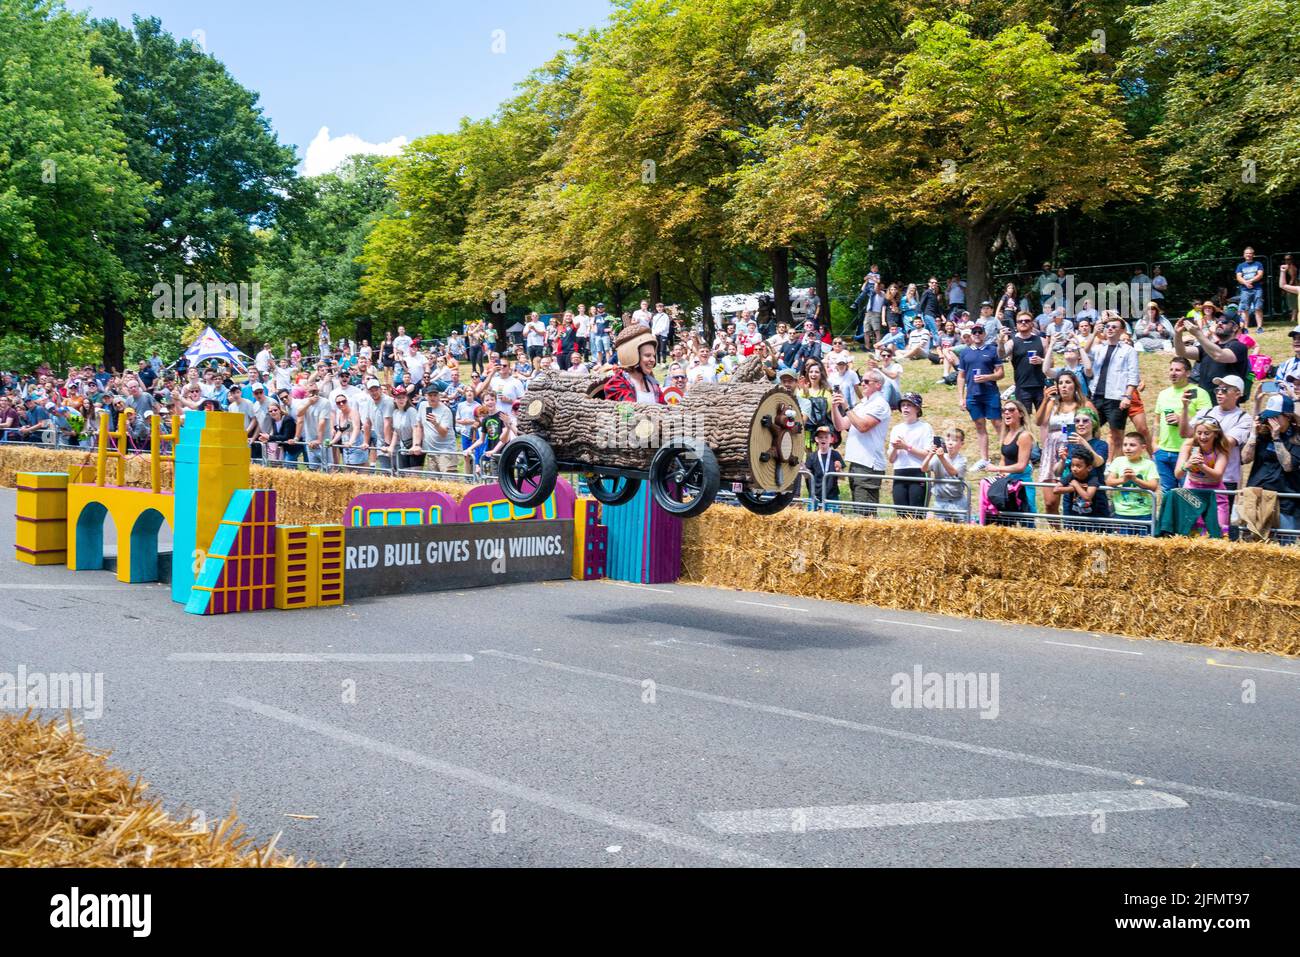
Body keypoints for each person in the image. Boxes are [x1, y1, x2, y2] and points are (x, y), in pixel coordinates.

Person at [831, 369, 891, 506]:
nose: (862, 384)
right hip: (857, 462)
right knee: (858, 509)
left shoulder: (880, 404)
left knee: (865, 513)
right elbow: (840, 425)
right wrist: (835, 406)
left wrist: (846, 407)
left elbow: (863, 427)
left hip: (869, 464)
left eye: (866, 381)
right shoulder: (862, 404)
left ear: (878, 384)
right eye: (861, 380)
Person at [1087, 311, 1140, 462]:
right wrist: (1093, 334)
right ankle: (1095, 460)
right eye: (1107, 326)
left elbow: (1133, 375)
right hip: (1096, 396)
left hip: (1116, 398)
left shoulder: (1128, 350)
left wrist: (1127, 396)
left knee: (1117, 434)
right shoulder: (1099, 348)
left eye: (1114, 327)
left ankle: (1115, 465)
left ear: (1122, 331)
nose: (1109, 329)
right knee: (1091, 429)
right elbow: (1083, 355)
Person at [1035, 371, 1091, 515]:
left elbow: (1095, 429)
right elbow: (1038, 421)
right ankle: (1056, 534)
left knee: (1075, 501)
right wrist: (1045, 400)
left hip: (1074, 450)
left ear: (1075, 385)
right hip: (1052, 450)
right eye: (1060, 383)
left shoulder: (1084, 404)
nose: (1064, 386)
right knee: (1050, 503)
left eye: (1068, 382)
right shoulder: (1053, 403)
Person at [1152, 357, 1212, 491]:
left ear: (1188, 373)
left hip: (1187, 451)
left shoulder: (1197, 393)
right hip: (1163, 451)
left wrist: (1181, 419)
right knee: (1167, 492)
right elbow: (1156, 421)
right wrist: (1154, 444)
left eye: (1178, 370)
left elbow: (1207, 423)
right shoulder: (1163, 394)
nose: (1173, 373)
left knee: (1188, 492)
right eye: (1171, 369)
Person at [956, 324, 1004, 470]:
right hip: (973, 395)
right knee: (979, 425)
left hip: (990, 393)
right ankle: (984, 459)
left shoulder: (992, 350)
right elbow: (961, 376)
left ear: (984, 334)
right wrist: (961, 397)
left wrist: (988, 377)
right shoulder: (965, 352)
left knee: (998, 424)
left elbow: (1001, 374)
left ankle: (1006, 457)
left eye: (979, 332)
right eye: (974, 332)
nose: (977, 334)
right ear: (971, 335)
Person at [1174, 312, 1250, 401]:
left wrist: (1198, 334)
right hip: (1204, 403)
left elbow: (1219, 355)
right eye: (1218, 321)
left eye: (1224, 321)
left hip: (1226, 405)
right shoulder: (1209, 347)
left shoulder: (1239, 347)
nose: (1220, 323)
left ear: (1235, 327)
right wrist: (1177, 333)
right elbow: (1181, 351)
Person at [1174, 418, 1230, 533]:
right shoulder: (1189, 446)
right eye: (1199, 433)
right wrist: (1188, 464)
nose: (1202, 437)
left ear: (1215, 434)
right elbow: (1178, 474)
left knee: (1219, 529)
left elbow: (1218, 476)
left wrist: (1201, 466)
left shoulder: (1221, 448)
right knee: (1193, 530)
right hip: (1192, 490)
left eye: (1207, 433)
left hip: (1214, 493)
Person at [985, 400, 1036, 512]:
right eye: (1004, 410)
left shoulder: (1024, 436)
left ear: (1021, 414)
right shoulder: (1006, 435)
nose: (1007, 412)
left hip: (1022, 484)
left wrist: (997, 468)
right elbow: (1004, 459)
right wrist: (1001, 472)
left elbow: (1021, 466)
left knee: (1026, 521)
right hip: (1008, 482)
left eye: (1011, 410)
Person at [886, 392, 933, 517]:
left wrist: (907, 447)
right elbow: (891, 459)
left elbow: (926, 454)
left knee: (917, 516)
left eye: (909, 405)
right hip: (900, 472)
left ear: (917, 408)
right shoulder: (896, 428)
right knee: (901, 515)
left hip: (918, 472)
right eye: (903, 405)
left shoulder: (925, 427)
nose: (905, 408)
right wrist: (896, 448)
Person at [1104, 432, 1158, 532]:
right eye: (1125, 445)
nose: (1127, 448)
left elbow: (1153, 486)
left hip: (1144, 513)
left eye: (1132, 445)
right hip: (1122, 513)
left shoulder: (1149, 464)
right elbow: (1109, 482)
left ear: (1143, 447)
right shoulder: (1118, 461)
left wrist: (1135, 479)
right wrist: (1123, 480)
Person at [1000, 312, 1047, 412]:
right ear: (1016, 325)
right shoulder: (1013, 342)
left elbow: (1050, 363)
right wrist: (1000, 341)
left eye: (1027, 321)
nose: (1023, 323)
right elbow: (1001, 355)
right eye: (1020, 321)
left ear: (1032, 324)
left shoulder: (1042, 341)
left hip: (1041, 386)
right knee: (1023, 420)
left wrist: (1041, 360)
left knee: (1045, 420)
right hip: (1022, 387)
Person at [603, 326, 664, 403]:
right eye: (647, 355)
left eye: (653, 356)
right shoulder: (616, 384)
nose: (653, 360)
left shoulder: (653, 383)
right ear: (632, 356)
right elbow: (628, 412)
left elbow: (664, 408)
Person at [922, 426, 968, 522]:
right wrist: (930, 455)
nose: (950, 443)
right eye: (948, 440)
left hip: (958, 502)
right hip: (940, 501)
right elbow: (924, 468)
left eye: (954, 440)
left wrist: (942, 458)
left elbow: (953, 472)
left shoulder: (962, 460)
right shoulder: (937, 457)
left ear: (961, 444)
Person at [1056, 449, 1110, 530]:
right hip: (1075, 516)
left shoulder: (1093, 479)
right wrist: (1073, 488)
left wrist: (1076, 484)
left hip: (1092, 518)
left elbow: (1087, 497)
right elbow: (1056, 490)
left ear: (1089, 468)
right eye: (1072, 465)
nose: (1074, 469)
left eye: (1078, 466)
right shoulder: (1071, 475)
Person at [804, 425, 844, 505]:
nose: (823, 439)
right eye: (821, 437)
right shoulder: (811, 456)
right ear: (816, 439)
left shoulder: (835, 455)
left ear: (831, 439)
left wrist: (839, 470)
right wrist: (803, 469)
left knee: (833, 517)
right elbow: (807, 476)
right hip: (814, 496)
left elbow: (842, 478)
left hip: (832, 496)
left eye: (826, 437)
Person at [1236, 246, 1266, 333]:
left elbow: (1260, 275)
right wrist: (1246, 283)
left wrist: (1251, 281)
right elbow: (1238, 277)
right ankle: (1245, 328)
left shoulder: (1258, 264)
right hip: (1245, 290)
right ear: (1244, 255)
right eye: (1247, 253)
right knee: (1245, 309)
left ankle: (1259, 327)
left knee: (1258, 308)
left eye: (1250, 253)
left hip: (1257, 289)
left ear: (1253, 255)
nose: (1248, 255)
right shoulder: (1240, 266)